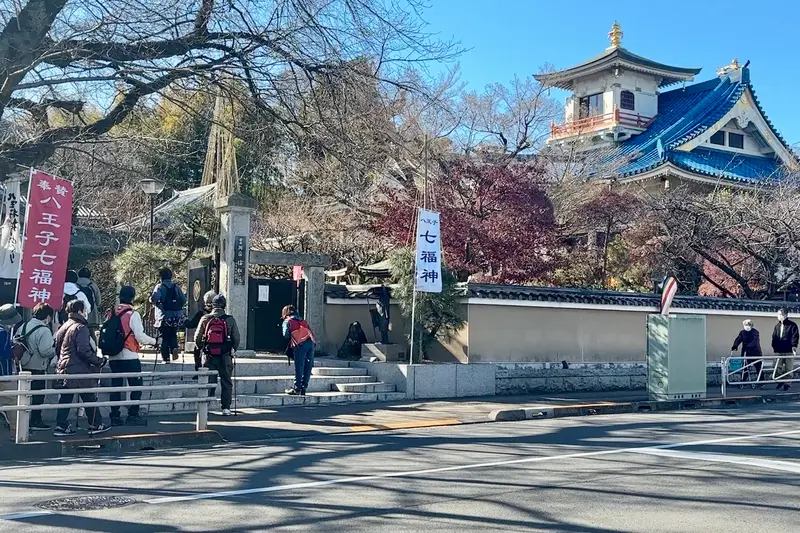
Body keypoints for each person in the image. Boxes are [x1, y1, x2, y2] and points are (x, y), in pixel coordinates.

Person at [53, 299, 110, 436]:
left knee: (65, 398)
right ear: (80, 311)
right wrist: (98, 361)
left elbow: (57, 348)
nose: (86, 313)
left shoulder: (64, 326)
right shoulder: (81, 327)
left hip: (64, 366)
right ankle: (96, 424)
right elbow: (83, 350)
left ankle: (61, 425)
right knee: (89, 396)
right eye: (84, 310)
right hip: (78, 368)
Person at [106, 286, 157, 426]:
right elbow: (139, 336)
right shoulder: (132, 314)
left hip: (113, 355)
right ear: (132, 297)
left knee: (116, 387)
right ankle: (132, 415)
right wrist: (154, 341)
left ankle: (114, 416)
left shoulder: (111, 313)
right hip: (129, 355)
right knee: (136, 386)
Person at [194, 295, 240, 416]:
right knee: (226, 381)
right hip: (225, 355)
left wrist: (202, 348)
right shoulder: (230, 320)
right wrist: (232, 349)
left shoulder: (205, 318)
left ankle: (206, 406)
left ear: (212, 305)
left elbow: (197, 338)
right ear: (224, 305)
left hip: (209, 355)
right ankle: (226, 408)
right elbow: (236, 338)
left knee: (208, 381)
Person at [15, 303, 56, 431]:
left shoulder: (23, 326)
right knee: (38, 396)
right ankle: (35, 420)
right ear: (48, 316)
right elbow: (45, 351)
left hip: (23, 365)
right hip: (38, 366)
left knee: (24, 395)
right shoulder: (44, 330)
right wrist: (56, 350)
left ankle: (21, 421)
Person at [150, 267, 186, 363]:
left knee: (165, 336)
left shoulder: (160, 287)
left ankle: (166, 358)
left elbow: (154, 298)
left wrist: (153, 301)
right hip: (176, 316)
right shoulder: (176, 287)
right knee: (173, 334)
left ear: (161, 277)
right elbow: (183, 300)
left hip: (164, 316)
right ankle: (174, 347)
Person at [282, 305, 316, 396]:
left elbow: (286, 334)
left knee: (299, 366)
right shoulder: (302, 320)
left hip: (300, 344)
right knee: (308, 366)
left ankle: (297, 388)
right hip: (311, 342)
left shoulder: (288, 321)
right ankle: (304, 388)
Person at [0, 304, 22, 435]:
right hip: (3, 373)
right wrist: (14, 349)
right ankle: (17, 432)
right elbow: (4, 354)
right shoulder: (2, 333)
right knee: (13, 401)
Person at [184, 291, 216, 374]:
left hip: (204, 340)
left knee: (197, 351)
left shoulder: (201, 314)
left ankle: (198, 371)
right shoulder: (221, 314)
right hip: (218, 341)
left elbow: (191, 325)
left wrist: (184, 320)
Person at [771, 308, 798, 392]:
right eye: (778, 314)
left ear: (785, 315)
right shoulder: (777, 326)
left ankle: (787, 384)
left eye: (780, 314)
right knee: (776, 367)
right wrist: (774, 346)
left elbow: (795, 336)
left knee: (788, 368)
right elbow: (774, 337)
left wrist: (794, 346)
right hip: (778, 350)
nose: (778, 316)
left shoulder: (792, 325)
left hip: (788, 350)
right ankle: (781, 380)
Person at [731, 319, 763, 384]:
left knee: (758, 366)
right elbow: (738, 339)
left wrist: (748, 346)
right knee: (745, 366)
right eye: (745, 325)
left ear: (751, 325)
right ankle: (744, 380)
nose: (747, 326)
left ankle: (761, 380)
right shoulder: (742, 332)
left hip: (755, 352)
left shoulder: (755, 332)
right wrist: (735, 345)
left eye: (748, 325)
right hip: (746, 352)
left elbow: (755, 341)